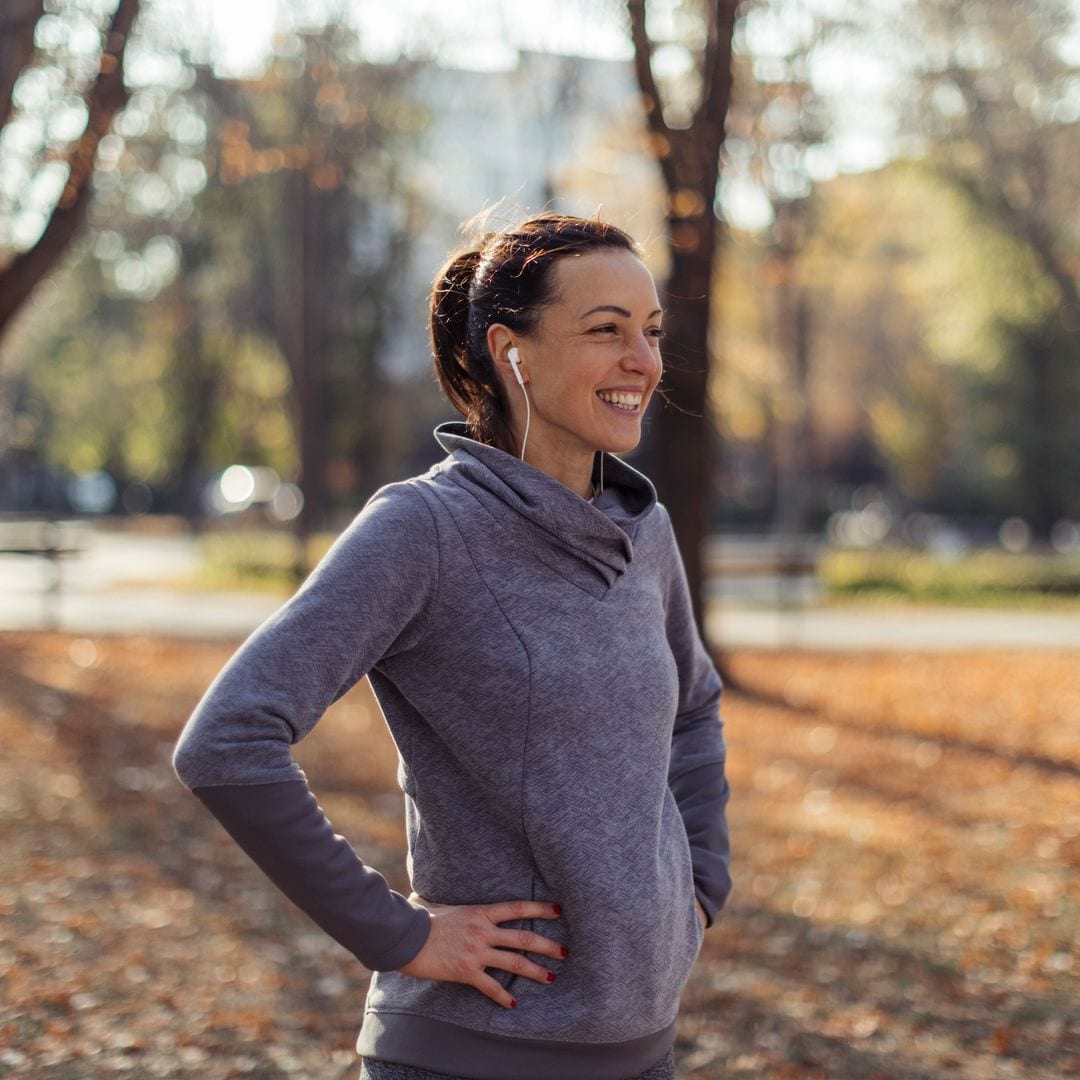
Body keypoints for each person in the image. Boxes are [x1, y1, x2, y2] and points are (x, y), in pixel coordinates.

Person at [173, 212, 731, 1080]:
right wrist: (396, 933)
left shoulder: (642, 529)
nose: (644, 363)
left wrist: (697, 886)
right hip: (473, 1056)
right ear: (512, 351)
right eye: (606, 331)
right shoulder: (425, 529)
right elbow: (227, 740)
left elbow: (693, 706)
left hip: (641, 1049)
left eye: (651, 333)